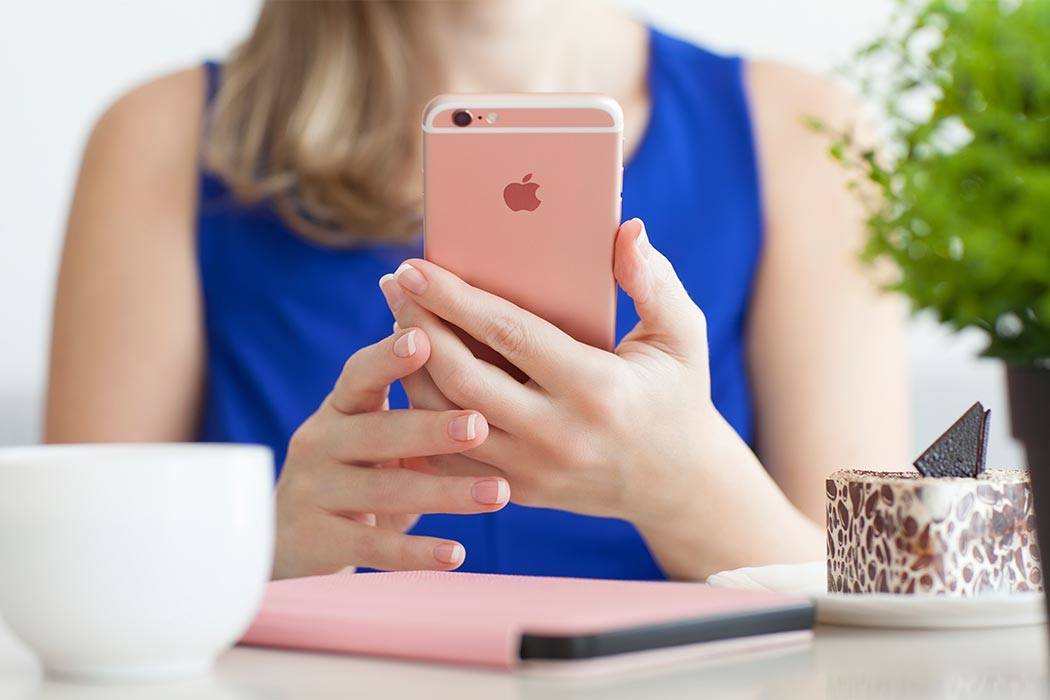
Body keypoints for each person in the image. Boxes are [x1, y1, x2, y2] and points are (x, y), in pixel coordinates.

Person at [45, 0, 909, 581]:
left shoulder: (803, 136)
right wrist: (266, 561)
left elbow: (883, 602)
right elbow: (81, 580)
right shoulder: (162, 136)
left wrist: (685, 485)